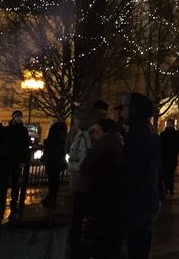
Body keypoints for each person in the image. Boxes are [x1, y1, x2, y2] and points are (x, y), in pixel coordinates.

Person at [110, 93, 161, 258]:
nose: (121, 113)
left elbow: (131, 172)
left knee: (133, 247)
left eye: (124, 109)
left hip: (136, 203)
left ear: (134, 110)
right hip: (143, 202)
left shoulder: (137, 136)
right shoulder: (145, 132)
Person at [68, 105, 103, 259]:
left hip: (77, 178)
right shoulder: (88, 135)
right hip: (84, 178)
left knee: (78, 212)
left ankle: (75, 242)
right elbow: (86, 156)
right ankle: (79, 244)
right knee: (84, 212)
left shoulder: (78, 133)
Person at [85, 119, 123, 259]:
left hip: (103, 199)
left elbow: (97, 172)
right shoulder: (109, 143)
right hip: (105, 199)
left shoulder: (106, 146)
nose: (94, 134)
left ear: (106, 132)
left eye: (97, 131)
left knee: (102, 236)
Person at [0, 110, 30, 215]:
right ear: (13, 118)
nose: (19, 118)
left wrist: (23, 160)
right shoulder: (5, 130)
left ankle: (13, 204)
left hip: (16, 160)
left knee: (15, 183)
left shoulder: (23, 131)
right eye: (17, 116)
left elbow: (25, 146)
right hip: (6, 159)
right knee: (3, 184)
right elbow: (0, 144)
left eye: (20, 116)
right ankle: (1, 204)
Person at [42, 120, 68, 208]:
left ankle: (51, 200)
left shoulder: (54, 135)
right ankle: (52, 199)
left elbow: (51, 146)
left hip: (53, 160)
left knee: (52, 182)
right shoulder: (64, 135)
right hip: (58, 161)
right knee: (55, 181)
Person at [159, 118, 179, 195]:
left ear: (172, 124)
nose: (168, 124)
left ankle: (170, 188)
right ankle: (167, 188)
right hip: (166, 157)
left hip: (170, 156)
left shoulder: (175, 134)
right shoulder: (163, 134)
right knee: (167, 174)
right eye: (167, 123)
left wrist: (176, 151)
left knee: (170, 174)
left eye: (169, 123)